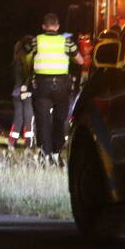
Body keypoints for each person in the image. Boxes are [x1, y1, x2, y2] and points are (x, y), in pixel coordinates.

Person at [25, 12, 83, 166]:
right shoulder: (66, 42)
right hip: (61, 86)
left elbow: (24, 53)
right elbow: (80, 60)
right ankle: (57, 154)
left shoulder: (36, 40)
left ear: (44, 26)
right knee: (60, 120)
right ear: (57, 26)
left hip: (41, 86)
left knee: (43, 121)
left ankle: (45, 155)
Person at [9, 36, 34, 150]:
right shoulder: (25, 59)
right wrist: (25, 88)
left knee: (19, 117)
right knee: (28, 118)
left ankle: (12, 142)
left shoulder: (16, 59)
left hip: (17, 92)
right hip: (25, 92)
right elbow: (28, 75)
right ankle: (28, 144)